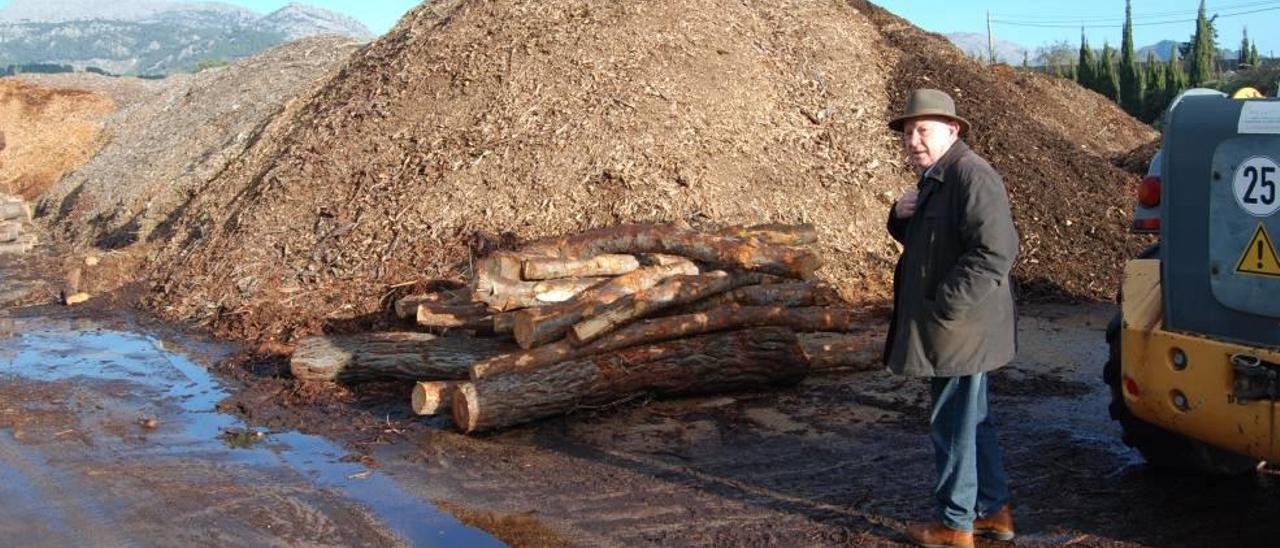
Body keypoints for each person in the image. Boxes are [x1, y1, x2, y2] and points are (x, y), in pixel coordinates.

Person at [883, 89, 1020, 548]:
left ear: (952, 130)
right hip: (957, 326)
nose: (913, 141)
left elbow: (996, 251)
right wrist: (900, 218)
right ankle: (993, 513)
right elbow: (934, 242)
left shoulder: (971, 176)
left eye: (923, 130)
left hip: (960, 327)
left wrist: (948, 304)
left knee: (953, 425)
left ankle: (954, 524)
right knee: (972, 421)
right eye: (907, 132)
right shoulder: (937, 178)